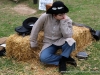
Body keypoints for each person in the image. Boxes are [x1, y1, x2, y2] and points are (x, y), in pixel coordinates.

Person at [30, 1, 77, 73]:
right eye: (60, 14)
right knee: (44, 58)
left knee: (71, 42)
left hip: (62, 40)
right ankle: (64, 59)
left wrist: (63, 22)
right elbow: (36, 28)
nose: (64, 15)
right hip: (49, 42)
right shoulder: (45, 17)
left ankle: (63, 61)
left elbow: (67, 35)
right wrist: (33, 42)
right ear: (54, 15)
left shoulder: (66, 19)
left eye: (64, 13)